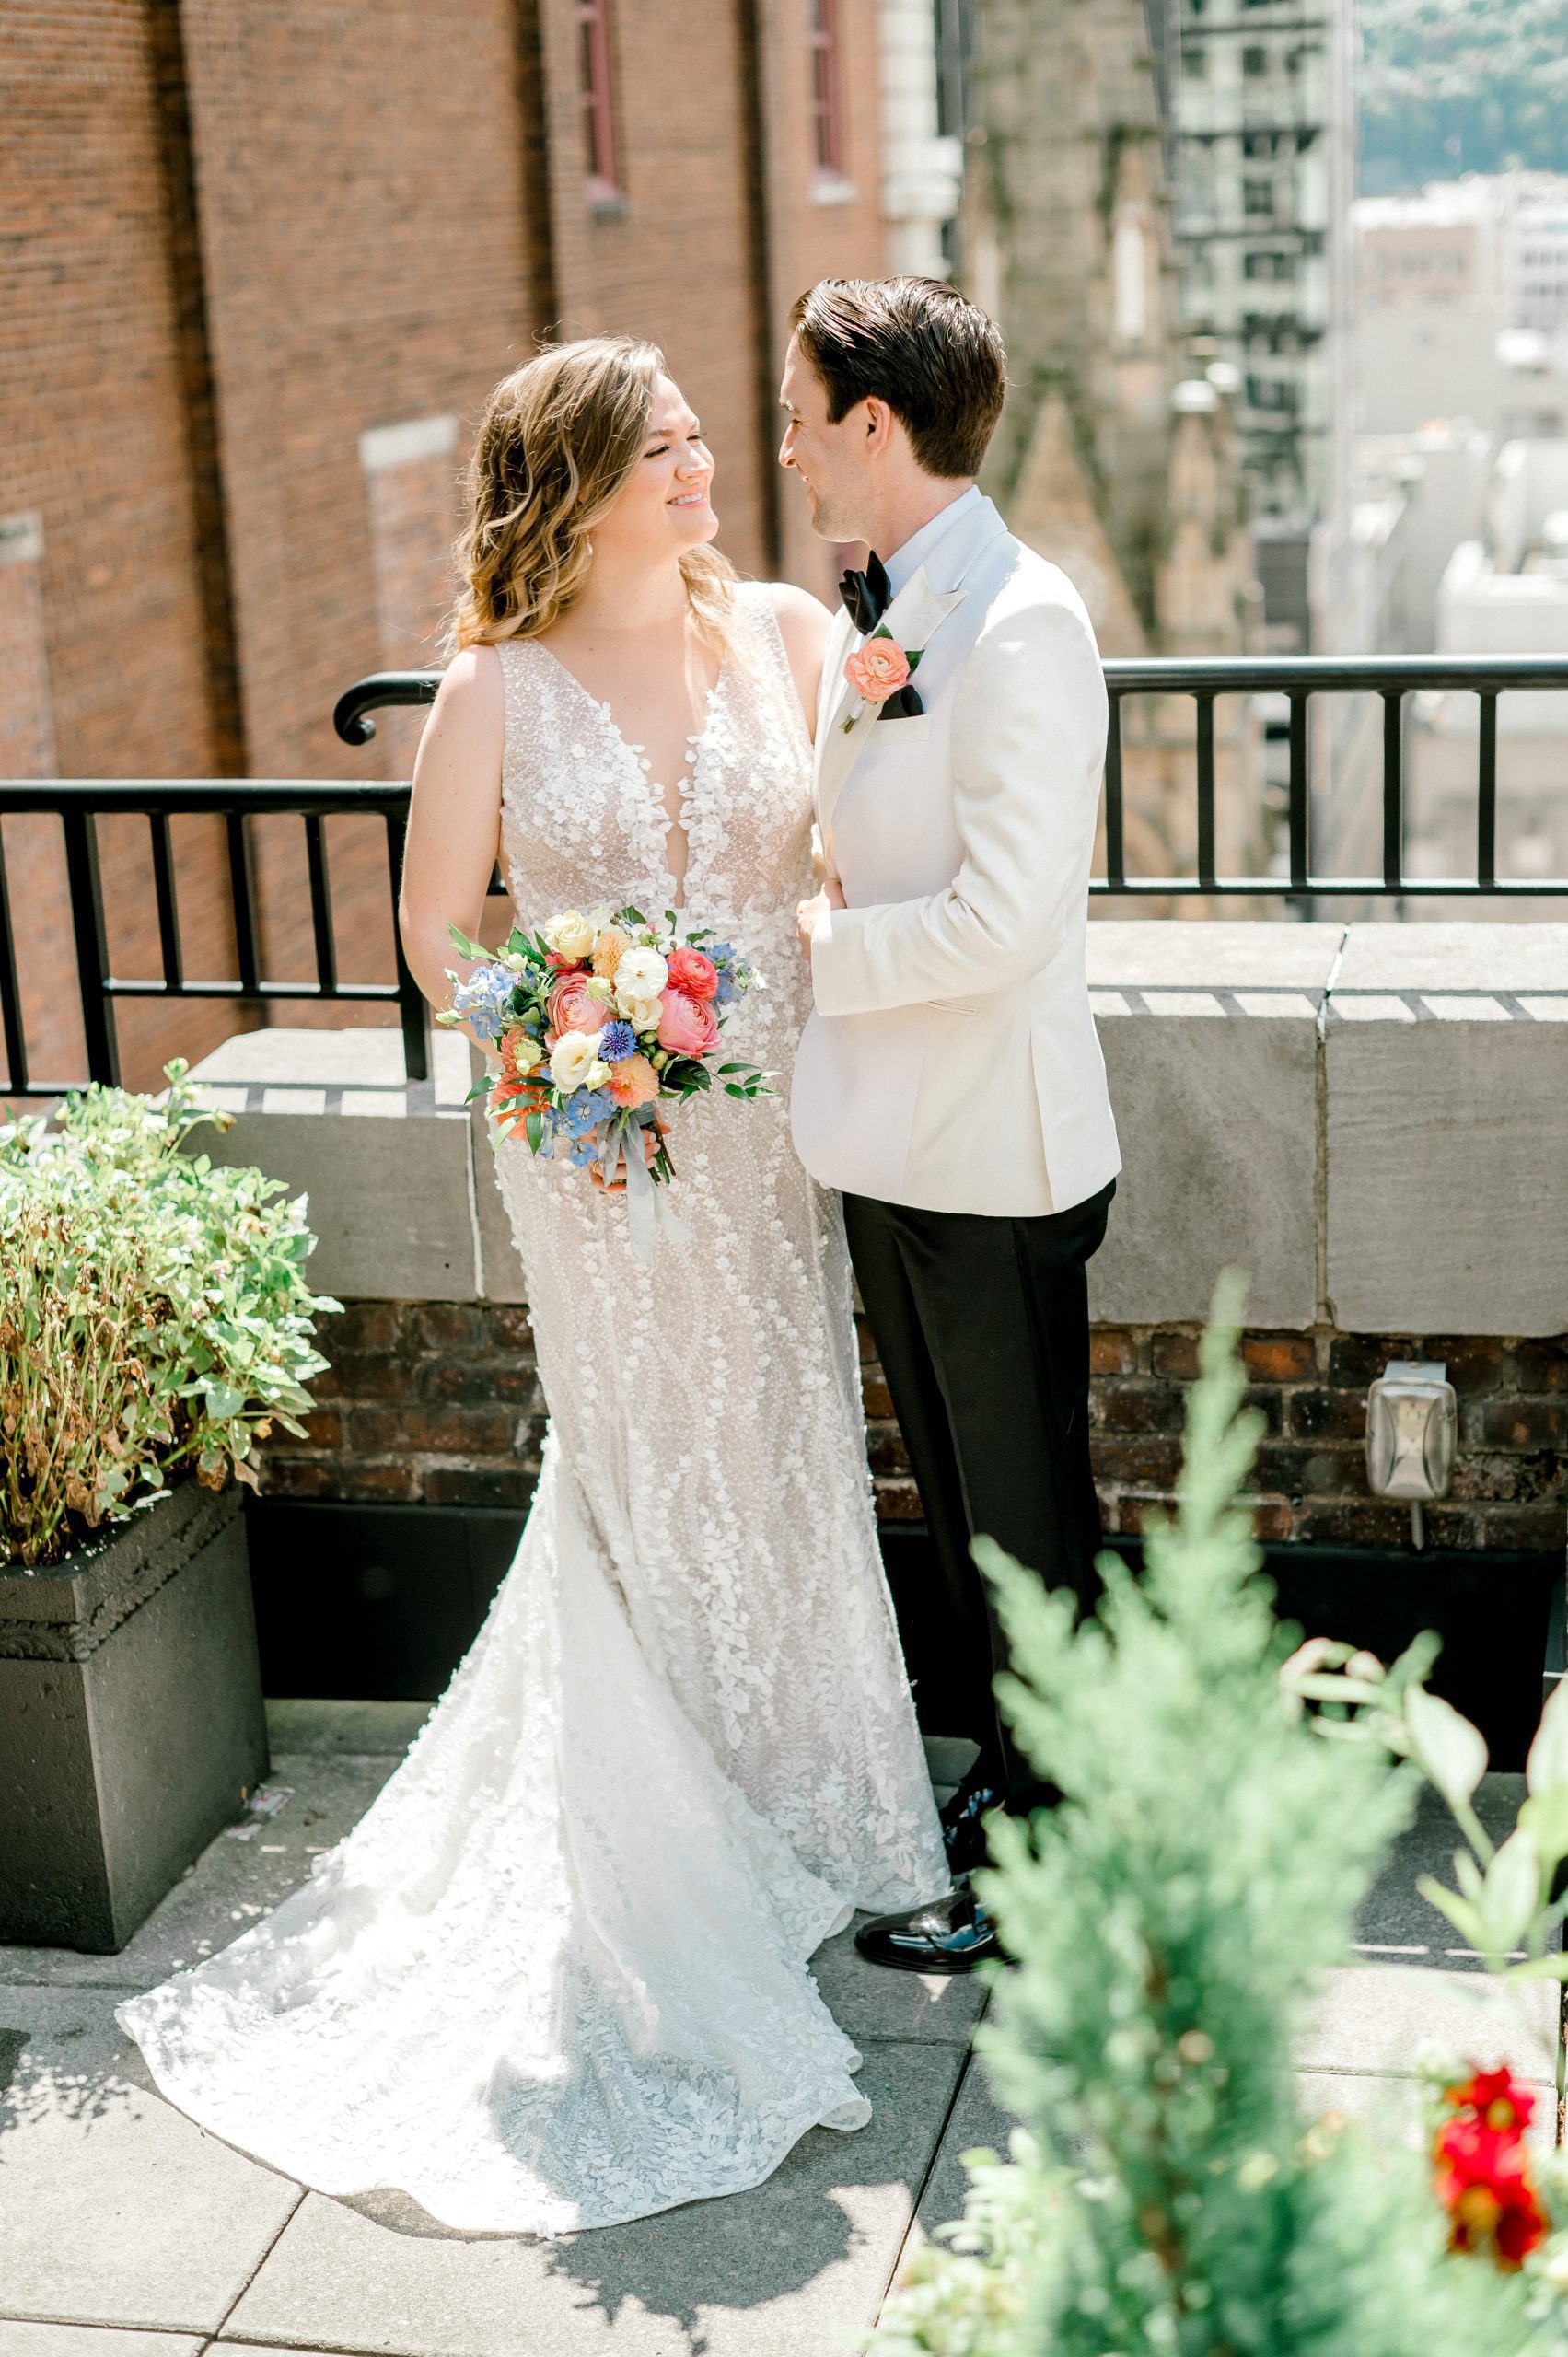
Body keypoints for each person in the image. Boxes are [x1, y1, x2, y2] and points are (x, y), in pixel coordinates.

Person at [118, 336, 947, 2237]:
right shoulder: (492, 685)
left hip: (769, 1135)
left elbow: (846, 854)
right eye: (662, 446)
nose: (701, 465)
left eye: (696, 440)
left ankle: (809, 1807)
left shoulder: (794, 644)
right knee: (645, 1466)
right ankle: (657, 1850)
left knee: (781, 1432)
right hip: (598, 1148)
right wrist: (563, 1028)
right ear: (574, 480)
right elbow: (432, 925)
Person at [785, 276, 1121, 1975]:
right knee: (960, 1509)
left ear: (873, 423)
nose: (786, 446)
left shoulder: (1023, 619)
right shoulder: (895, 600)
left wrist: (829, 955)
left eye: (798, 415)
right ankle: (1009, 1774)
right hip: (895, 1140)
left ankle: (1057, 1859)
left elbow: (1011, 921)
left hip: (993, 1152)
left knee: (1024, 1523)